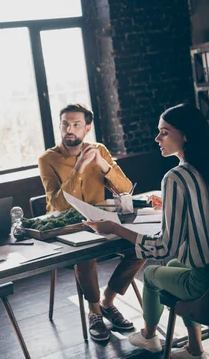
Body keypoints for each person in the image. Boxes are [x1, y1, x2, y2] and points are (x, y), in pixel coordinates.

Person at [86, 104, 209, 359]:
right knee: (177, 263)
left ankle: (150, 337)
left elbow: (164, 246)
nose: (157, 138)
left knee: (151, 273)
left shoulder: (175, 177)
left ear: (184, 135)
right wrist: (172, 206)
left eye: (164, 132)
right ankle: (194, 348)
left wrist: (115, 228)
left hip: (206, 284)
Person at [38, 103, 146, 341]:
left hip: (102, 221)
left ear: (87, 128)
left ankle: (108, 300)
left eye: (76, 124)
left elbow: (126, 188)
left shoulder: (99, 150)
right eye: (65, 123)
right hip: (68, 226)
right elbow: (58, 205)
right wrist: (78, 169)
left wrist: (102, 164)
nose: (69, 129)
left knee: (141, 246)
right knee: (85, 251)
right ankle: (94, 311)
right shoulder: (47, 159)